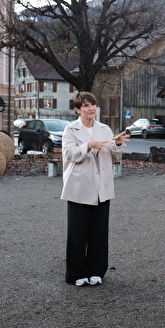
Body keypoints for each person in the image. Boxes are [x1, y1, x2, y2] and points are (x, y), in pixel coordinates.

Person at [61, 91, 129, 286]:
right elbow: (69, 155)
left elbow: (113, 158)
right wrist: (89, 145)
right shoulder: (70, 130)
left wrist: (117, 144)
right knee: (78, 233)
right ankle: (76, 273)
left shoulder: (105, 129)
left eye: (93, 105)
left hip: (101, 188)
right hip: (79, 187)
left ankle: (96, 270)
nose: (91, 108)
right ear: (77, 109)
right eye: (86, 105)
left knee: (99, 233)